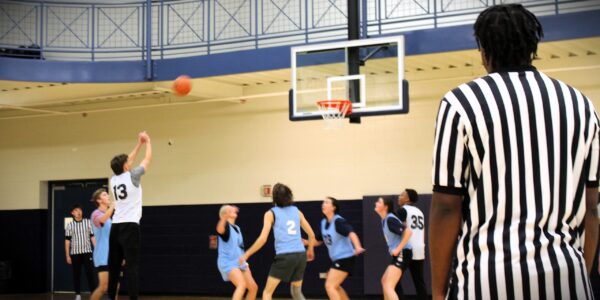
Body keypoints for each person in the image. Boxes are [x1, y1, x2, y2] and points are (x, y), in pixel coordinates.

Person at [430, 4, 599, 300]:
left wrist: (437, 291)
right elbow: (592, 205)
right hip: (566, 275)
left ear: (484, 51)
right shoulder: (582, 106)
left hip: (485, 278)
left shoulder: (459, 103)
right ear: (533, 47)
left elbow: (446, 205)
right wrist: (578, 275)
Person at [240, 183, 316, 300]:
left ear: (274, 198)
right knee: (296, 292)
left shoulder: (271, 213)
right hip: (300, 255)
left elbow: (262, 239)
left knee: (267, 293)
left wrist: (247, 254)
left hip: (285, 256)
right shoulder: (297, 211)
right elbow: (311, 234)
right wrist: (310, 249)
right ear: (290, 196)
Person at [107, 131, 152, 300]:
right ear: (126, 166)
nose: (130, 162)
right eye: (127, 163)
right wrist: (147, 142)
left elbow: (128, 161)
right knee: (132, 267)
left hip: (115, 226)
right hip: (130, 226)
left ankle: (111, 297)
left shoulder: (113, 179)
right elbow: (146, 160)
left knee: (114, 266)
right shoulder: (133, 176)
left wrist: (138, 144)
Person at [316, 196, 365, 300]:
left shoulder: (338, 221)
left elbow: (351, 233)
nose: (323, 204)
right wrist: (305, 242)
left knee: (330, 286)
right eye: (323, 202)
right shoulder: (323, 223)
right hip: (337, 259)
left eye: (326, 202)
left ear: (333, 207)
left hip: (346, 258)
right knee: (335, 286)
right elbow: (318, 241)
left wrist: (357, 247)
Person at [216, 205, 258, 300]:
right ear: (224, 215)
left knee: (253, 288)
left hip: (239, 262)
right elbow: (219, 229)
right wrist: (224, 217)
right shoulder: (225, 227)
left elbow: (239, 247)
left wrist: (244, 261)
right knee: (241, 285)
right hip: (228, 262)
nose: (233, 210)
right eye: (229, 210)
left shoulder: (237, 228)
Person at [374, 196, 412, 300]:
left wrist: (398, 249)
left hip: (403, 253)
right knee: (385, 281)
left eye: (379, 202)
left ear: (385, 207)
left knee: (388, 285)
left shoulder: (390, 219)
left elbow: (408, 232)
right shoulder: (385, 220)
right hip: (400, 254)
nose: (376, 203)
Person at [396, 189, 426, 300]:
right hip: (419, 249)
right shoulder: (420, 212)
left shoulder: (402, 210)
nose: (399, 197)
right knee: (419, 283)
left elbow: (401, 230)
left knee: (393, 280)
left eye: (402, 194)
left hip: (406, 249)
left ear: (408, 198)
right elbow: (423, 231)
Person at [65, 204, 96, 300]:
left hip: (87, 252)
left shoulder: (88, 222)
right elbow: (67, 241)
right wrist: (67, 255)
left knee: (90, 274)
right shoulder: (70, 225)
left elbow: (92, 237)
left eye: (80, 210)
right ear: (72, 213)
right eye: (76, 210)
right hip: (75, 253)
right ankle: (78, 294)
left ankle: (93, 294)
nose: (78, 212)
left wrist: (97, 250)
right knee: (76, 274)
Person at [90, 188, 115, 300]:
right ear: (99, 200)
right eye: (105, 195)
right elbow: (101, 221)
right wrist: (112, 207)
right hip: (102, 255)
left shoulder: (111, 216)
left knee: (115, 286)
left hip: (113, 254)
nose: (108, 196)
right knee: (103, 287)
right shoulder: (96, 213)